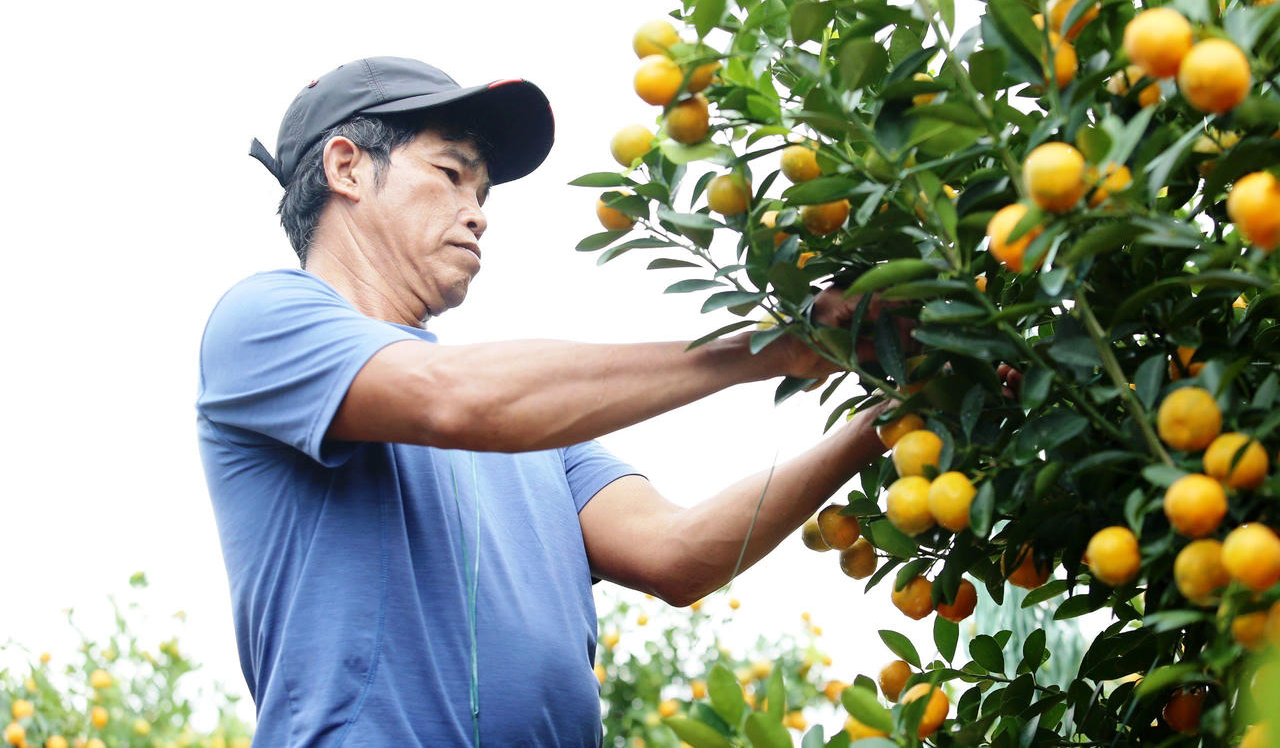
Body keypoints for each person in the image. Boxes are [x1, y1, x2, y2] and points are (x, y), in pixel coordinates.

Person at [196, 57, 899, 747]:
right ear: (346, 166)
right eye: (451, 175)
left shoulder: (535, 421)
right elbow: (454, 400)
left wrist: (882, 423)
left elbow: (675, 553)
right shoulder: (264, 320)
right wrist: (770, 349)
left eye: (484, 195)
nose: (478, 215)